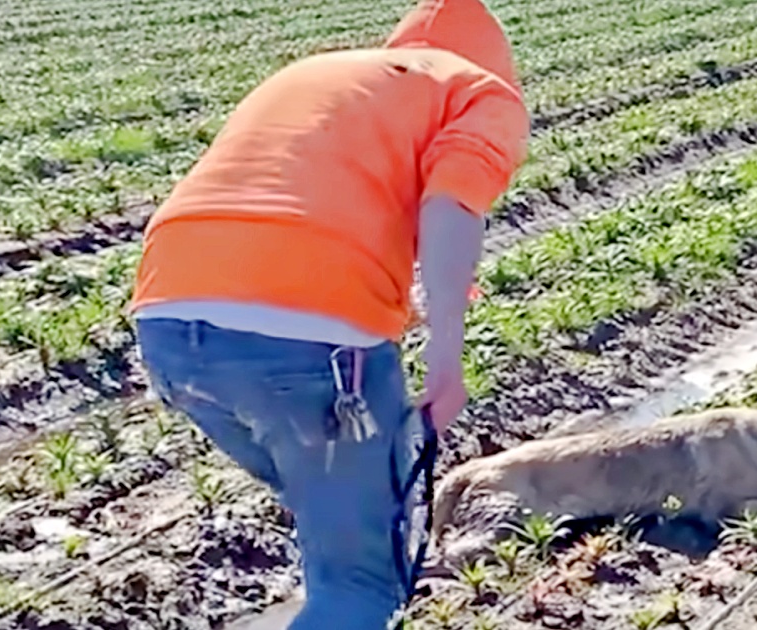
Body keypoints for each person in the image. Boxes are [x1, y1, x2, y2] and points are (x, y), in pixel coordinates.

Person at [125, 0, 530, 626]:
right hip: (312, 347)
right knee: (363, 578)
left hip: (168, 320)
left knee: (332, 503)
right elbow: (453, 205)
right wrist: (446, 362)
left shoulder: (321, 72)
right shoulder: (480, 91)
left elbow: (291, 203)